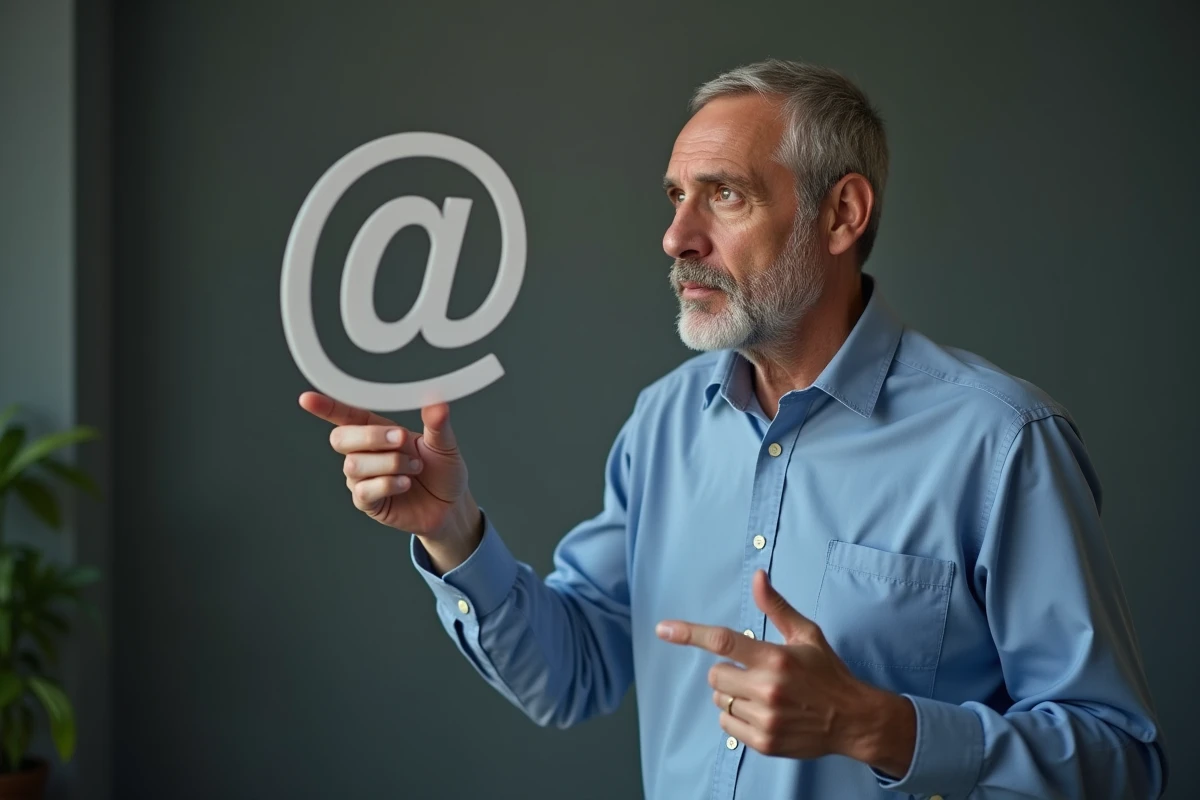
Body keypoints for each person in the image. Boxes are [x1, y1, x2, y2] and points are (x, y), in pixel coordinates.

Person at [299, 59, 1168, 799]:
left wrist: (886, 729)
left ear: (842, 215)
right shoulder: (664, 422)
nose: (677, 236)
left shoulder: (1002, 442)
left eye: (726, 196)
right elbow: (571, 674)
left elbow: (1122, 757)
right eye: (677, 197)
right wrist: (453, 536)